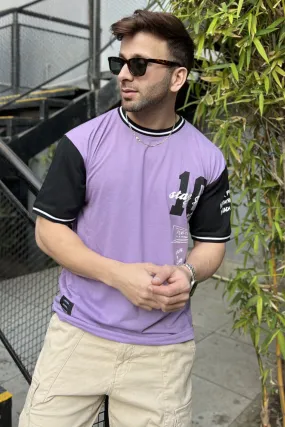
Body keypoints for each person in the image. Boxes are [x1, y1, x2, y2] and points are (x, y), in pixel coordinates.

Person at [19, 9, 231, 427]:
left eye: (139, 65)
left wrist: (188, 274)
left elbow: (212, 243)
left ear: (177, 78)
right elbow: (48, 231)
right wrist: (119, 276)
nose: (123, 75)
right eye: (120, 63)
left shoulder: (208, 159)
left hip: (163, 352)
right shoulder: (82, 142)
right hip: (78, 334)